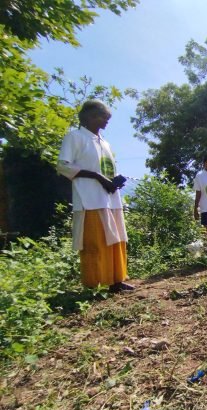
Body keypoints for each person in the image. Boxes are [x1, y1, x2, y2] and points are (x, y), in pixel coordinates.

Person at [57, 99, 134, 293]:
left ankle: (116, 280)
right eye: (104, 117)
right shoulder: (75, 137)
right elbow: (63, 165)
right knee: (96, 242)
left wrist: (112, 180)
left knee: (116, 239)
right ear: (91, 116)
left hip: (110, 198)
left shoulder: (104, 143)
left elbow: (105, 168)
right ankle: (94, 284)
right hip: (90, 199)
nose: (107, 121)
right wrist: (97, 177)